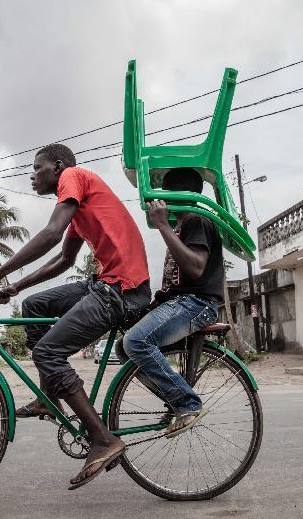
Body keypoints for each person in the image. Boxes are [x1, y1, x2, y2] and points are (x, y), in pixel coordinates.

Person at [0, 143, 151, 490]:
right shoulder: (80, 206)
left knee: (47, 353)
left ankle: (102, 439)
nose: (32, 174)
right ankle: (48, 398)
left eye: (37, 167)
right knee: (34, 307)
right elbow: (64, 260)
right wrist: (17, 286)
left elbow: (51, 233)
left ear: (57, 167)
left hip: (121, 289)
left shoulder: (74, 176)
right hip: (104, 283)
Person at [118, 168, 223, 438]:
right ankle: (174, 398)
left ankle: (186, 402)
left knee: (136, 342)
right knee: (123, 348)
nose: (160, 201)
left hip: (196, 303)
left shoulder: (197, 220)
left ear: (179, 194)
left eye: (165, 194)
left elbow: (197, 268)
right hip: (181, 301)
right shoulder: (184, 224)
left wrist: (163, 226)